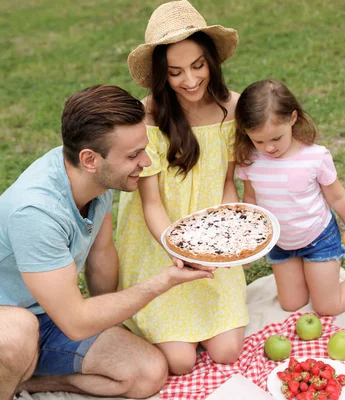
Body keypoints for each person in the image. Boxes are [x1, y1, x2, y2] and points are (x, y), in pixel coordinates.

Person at [0, 84, 215, 400]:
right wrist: (162, 281)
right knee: (14, 331)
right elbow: (77, 323)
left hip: (48, 320)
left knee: (147, 372)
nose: (147, 162)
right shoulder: (36, 211)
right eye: (134, 155)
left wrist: (112, 325)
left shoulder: (97, 178)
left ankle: (20, 381)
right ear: (90, 159)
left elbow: (101, 254)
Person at [116, 0, 248, 375]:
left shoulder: (231, 109)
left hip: (211, 240)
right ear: (162, 74)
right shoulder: (149, 117)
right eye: (176, 72)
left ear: (211, 62)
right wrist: (179, 249)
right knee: (180, 362)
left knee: (226, 352)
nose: (190, 80)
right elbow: (152, 204)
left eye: (198, 66)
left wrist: (226, 235)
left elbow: (226, 185)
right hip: (161, 243)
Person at [234, 79, 345, 316]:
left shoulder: (315, 157)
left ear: (292, 118)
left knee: (327, 307)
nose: (269, 148)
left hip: (318, 239)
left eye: (276, 138)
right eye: (259, 141)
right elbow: (251, 200)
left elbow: (337, 198)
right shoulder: (251, 160)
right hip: (281, 245)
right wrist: (248, 244)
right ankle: (311, 277)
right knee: (291, 304)